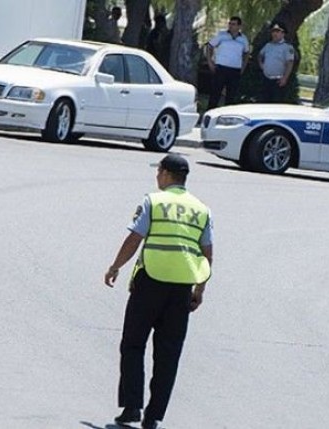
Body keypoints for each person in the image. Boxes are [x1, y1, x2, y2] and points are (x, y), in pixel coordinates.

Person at [104, 154, 213, 429]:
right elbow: (207, 253)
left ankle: (131, 407)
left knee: (133, 344)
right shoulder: (202, 209)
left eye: (159, 172)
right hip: (181, 289)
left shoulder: (153, 201)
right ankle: (153, 417)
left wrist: (115, 266)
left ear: (165, 174)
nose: (157, 177)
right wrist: (199, 289)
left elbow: (134, 238)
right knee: (169, 353)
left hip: (149, 282)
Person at [206, 16, 250, 109]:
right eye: (230, 23)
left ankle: (227, 117)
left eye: (233, 24)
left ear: (239, 26)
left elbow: (246, 53)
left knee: (231, 96)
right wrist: (210, 61)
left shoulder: (243, 39)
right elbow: (210, 46)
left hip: (235, 70)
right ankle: (209, 113)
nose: (230, 26)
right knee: (215, 94)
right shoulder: (222, 35)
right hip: (221, 68)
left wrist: (243, 67)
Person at [258, 22, 295, 103]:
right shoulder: (268, 45)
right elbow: (260, 55)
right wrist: (262, 65)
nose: (274, 33)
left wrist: (285, 78)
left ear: (283, 34)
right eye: (273, 31)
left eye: (277, 31)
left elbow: (290, 63)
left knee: (275, 104)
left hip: (278, 81)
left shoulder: (287, 47)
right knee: (263, 103)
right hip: (266, 79)